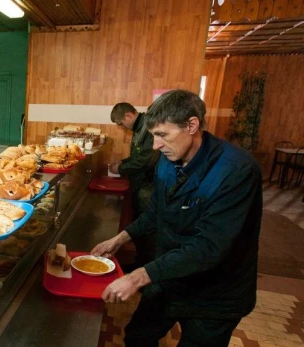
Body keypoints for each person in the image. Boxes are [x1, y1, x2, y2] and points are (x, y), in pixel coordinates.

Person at [92, 89, 263, 347]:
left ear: (192, 125)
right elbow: (156, 212)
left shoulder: (236, 171)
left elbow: (208, 247)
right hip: (171, 276)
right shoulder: (168, 159)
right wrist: (119, 239)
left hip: (216, 294)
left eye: (162, 135)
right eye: (153, 136)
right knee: (138, 335)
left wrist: (139, 276)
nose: (156, 145)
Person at [109, 102, 160, 270]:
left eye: (121, 124)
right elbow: (136, 156)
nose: (122, 127)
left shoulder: (147, 127)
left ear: (128, 116)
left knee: (147, 231)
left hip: (148, 186)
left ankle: (146, 269)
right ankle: (139, 263)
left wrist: (121, 168)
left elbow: (146, 160)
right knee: (140, 228)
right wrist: (123, 162)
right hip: (140, 185)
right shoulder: (139, 128)